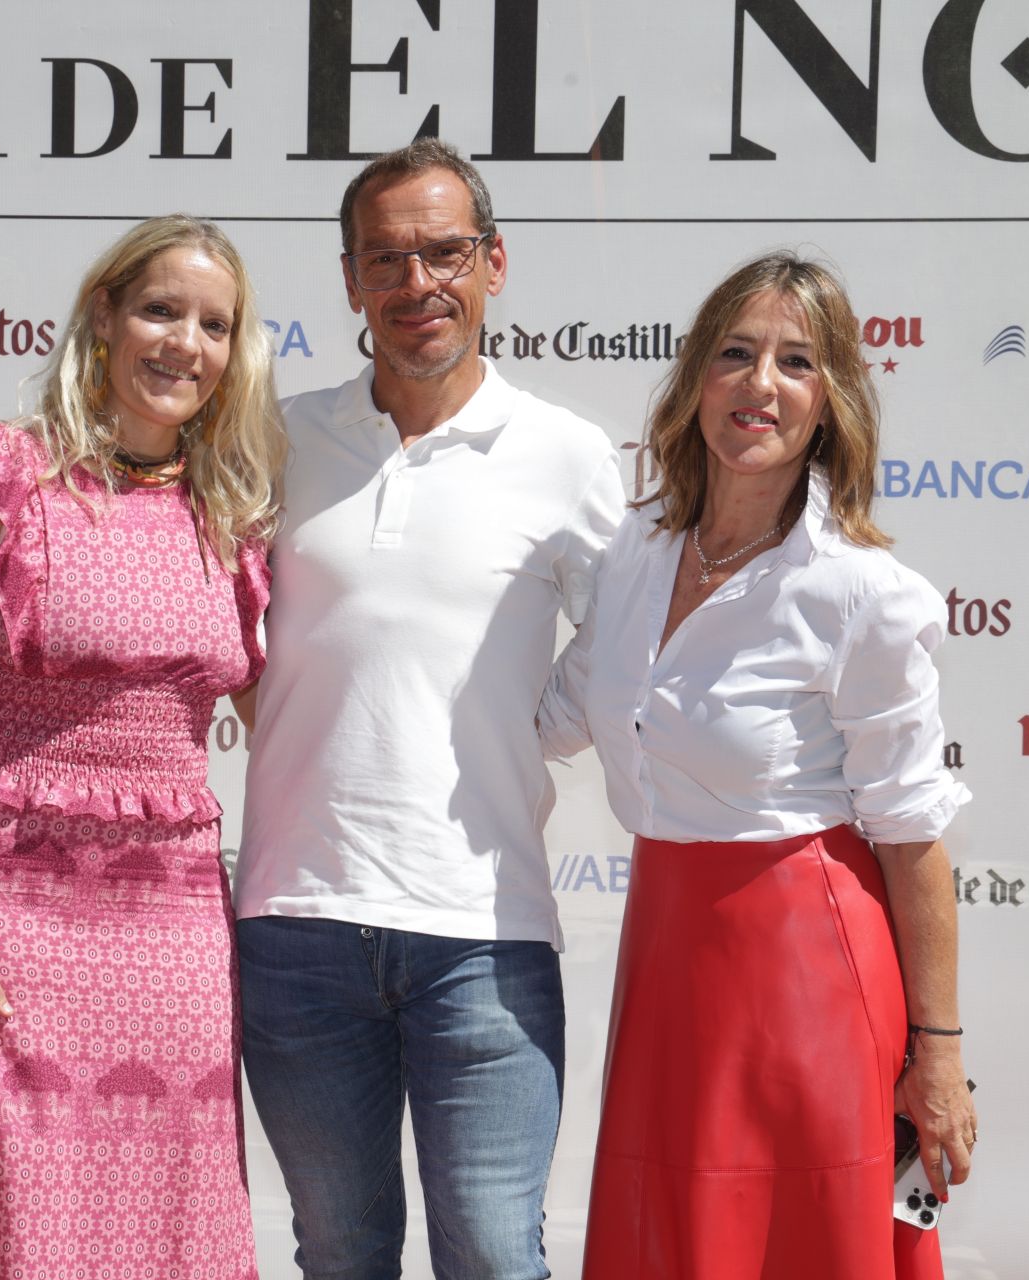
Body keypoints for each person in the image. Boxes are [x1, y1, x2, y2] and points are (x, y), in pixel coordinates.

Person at [537, 251, 978, 1279]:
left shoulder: (865, 593)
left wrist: (941, 1054)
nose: (760, 384)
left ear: (831, 404)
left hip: (806, 973)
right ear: (696, 378)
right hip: (666, 957)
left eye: (796, 361)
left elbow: (913, 839)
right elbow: (545, 717)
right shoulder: (638, 551)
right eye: (736, 354)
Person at [0, 214, 283, 1280]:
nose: (185, 341)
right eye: (160, 309)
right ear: (104, 316)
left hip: (173, 933)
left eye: (214, 324)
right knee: (1, 1233)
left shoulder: (232, 509)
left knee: (162, 1231)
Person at [233, 138, 627, 1279]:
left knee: (497, 1257)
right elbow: (200, 611)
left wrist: (514, 732)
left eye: (445, 251)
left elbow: (621, 646)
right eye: (387, 259)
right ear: (350, 280)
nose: (419, 284)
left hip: (485, 933)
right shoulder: (276, 436)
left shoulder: (564, 452)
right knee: (341, 1254)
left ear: (494, 263)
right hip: (297, 925)